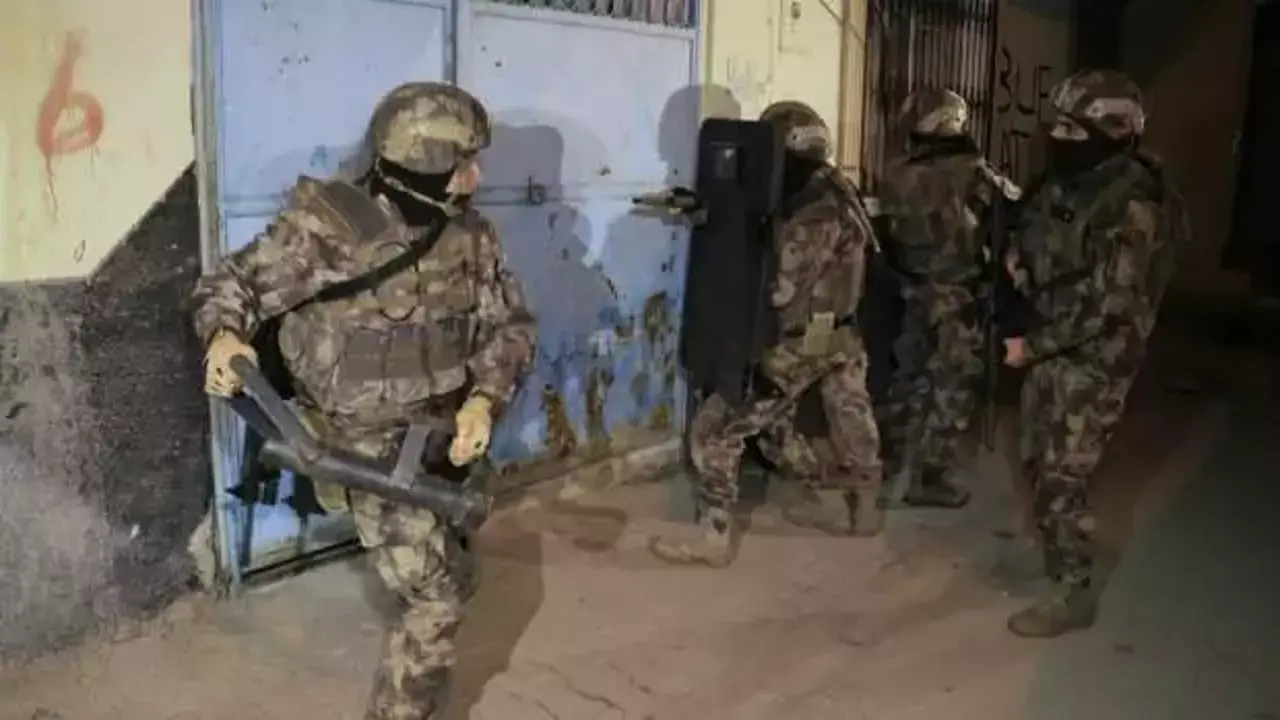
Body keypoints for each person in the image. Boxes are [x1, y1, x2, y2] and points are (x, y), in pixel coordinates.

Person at [192, 81, 537, 717]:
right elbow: (232, 285)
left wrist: (484, 401)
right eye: (464, 163)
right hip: (365, 446)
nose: (478, 176)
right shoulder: (329, 230)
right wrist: (224, 336)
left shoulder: (474, 235)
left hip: (446, 435)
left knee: (457, 567)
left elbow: (510, 325)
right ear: (426, 164)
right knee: (434, 601)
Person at [650, 101, 884, 567]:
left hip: (800, 343)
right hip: (842, 334)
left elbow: (779, 292)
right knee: (848, 415)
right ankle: (863, 509)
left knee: (715, 427)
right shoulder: (835, 188)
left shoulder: (811, 217)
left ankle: (713, 537)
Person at [1001, 69, 1189, 637]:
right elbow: (1041, 236)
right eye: (1056, 126)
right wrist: (1018, 262)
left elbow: (1109, 304)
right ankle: (1060, 543)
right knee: (1037, 459)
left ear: (1113, 133)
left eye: (1072, 130)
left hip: (1094, 359)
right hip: (1053, 343)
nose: (1058, 138)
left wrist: (1030, 346)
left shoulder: (1133, 204)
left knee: (1061, 474)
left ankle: (1073, 590)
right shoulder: (1073, 181)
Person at [877, 88, 1022, 509]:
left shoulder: (896, 172)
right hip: (959, 296)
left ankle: (891, 459)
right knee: (953, 383)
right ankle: (931, 476)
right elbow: (1014, 212)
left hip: (913, 291)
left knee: (909, 376)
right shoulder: (973, 172)